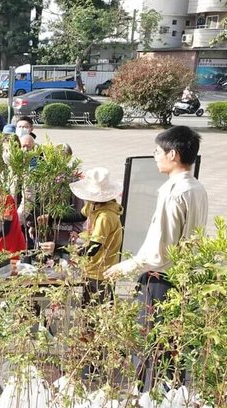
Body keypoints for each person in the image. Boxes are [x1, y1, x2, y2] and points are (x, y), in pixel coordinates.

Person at [105, 125, 208, 390]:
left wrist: (127, 265)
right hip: (181, 279)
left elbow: (159, 249)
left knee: (152, 347)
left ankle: (150, 406)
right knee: (173, 349)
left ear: (173, 154)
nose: (155, 156)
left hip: (160, 280)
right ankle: (168, 405)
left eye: (157, 151)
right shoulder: (196, 188)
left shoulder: (173, 191)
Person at [63, 167, 124, 306]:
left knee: (98, 312)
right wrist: (52, 218)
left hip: (101, 272)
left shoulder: (105, 217)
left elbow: (94, 247)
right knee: (88, 310)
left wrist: (64, 250)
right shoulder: (93, 206)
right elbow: (79, 216)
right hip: (91, 269)